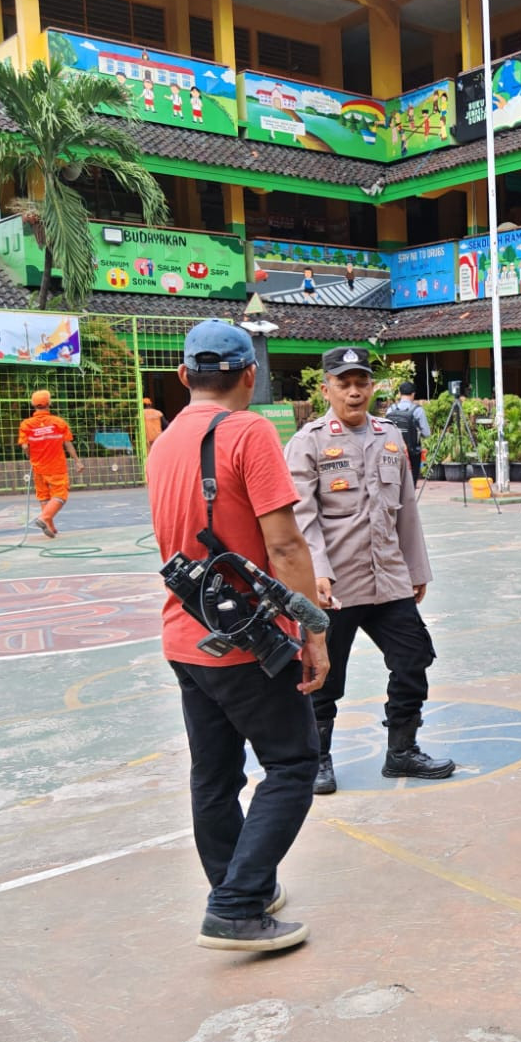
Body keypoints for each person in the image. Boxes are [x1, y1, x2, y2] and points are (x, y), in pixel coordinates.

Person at [146, 321, 328, 953]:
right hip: (249, 637)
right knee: (294, 762)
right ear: (250, 374)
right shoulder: (249, 431)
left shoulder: (165, 442)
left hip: (185, 634)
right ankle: (237, 904)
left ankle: (235, 883)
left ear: (183, 377)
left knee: (214, 774)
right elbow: (283, 541)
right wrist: (312, 630)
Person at [285, 348, 450, 796]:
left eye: (362, 382)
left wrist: (416, 569)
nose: (354, 391)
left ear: (373, 386)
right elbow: (303, 516)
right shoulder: (309, 442)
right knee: (323, 673)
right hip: (334, 583)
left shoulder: (391, 436)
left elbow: (407, 511)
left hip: (389, 577)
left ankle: (402, 751)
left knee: (414, 658)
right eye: (344, 383)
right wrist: (315, 571)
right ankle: (316, 759)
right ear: (327, 389)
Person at [19, 389, 81, 539]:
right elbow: (68, 444)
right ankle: (43, 518)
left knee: (43, 495)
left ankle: (50, 526)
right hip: (56, 466)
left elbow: (25, 447)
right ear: (49, 403)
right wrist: (77, 461)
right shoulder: (58, 422)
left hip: (38, 467)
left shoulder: (26, 425)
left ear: (33, 405)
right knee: (60, 495)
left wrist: (31, 457)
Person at [384, 380, 432, 476]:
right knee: (411, 480)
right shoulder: (418, 411)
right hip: (412, 452)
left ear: (400, 393)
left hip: (393, 451)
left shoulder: (390, 410)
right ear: (413, 394)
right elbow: (426, 433)